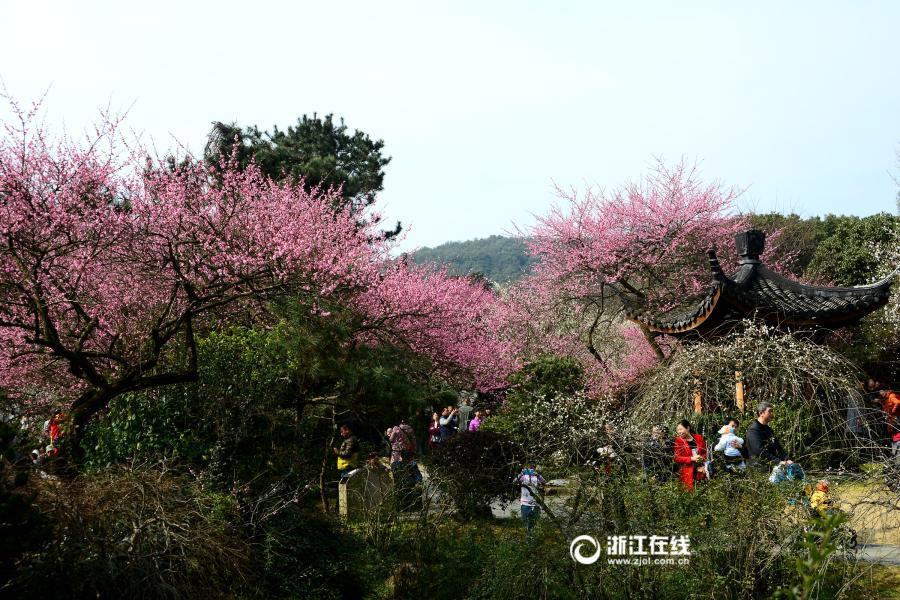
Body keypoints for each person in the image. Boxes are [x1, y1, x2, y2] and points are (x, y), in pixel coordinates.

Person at [746, 402, 791, 470]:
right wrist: (778, 461)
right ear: (761, 413)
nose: (772, 414)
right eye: (770, 411)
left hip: (770, 467)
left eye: (772, 411)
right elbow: (759, 450)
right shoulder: (754, 430)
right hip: (759, 469)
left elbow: (778, 446)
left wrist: (786, 459)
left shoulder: (769, 430)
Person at [673, 420, 706, 491]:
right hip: (687, 471)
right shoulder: (678, 441)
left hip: (700, 469)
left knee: (702, 490)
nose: (679, 432)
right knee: (689, 491)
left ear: (688, 428)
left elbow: (704, 452)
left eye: (681, 429)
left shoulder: (698, 437)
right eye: (677, 430)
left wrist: (701, 459)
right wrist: (691, 459)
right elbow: (677, 457)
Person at [516, 465, 546, 534]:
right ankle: (528, 540)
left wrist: (538, 475)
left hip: (535, 503)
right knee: (526, 524)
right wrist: (521, 474)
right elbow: (514, 481)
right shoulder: (523, 477)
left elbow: (544, 482)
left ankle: (533, 539)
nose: (530, 470)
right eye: (529, 469)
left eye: (532, 469)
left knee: (535, 524)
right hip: (525, 503)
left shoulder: (536, 477)